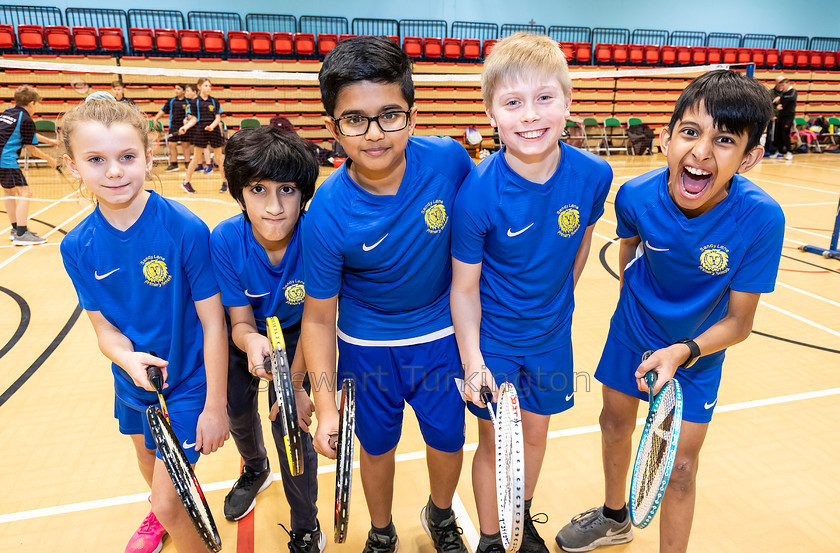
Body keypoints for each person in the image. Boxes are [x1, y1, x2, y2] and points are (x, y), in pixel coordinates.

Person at [556, 70, 784, 553]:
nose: (702, 152)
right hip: (633, 331)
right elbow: (629, 258)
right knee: (614, 424)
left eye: (724, 140)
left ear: (750, 158)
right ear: (665, 138)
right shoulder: (636, 195)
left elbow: (740, 324)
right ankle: (615, 518)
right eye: (690, 131)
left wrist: (682, 351)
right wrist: (635, 320)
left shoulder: (762, 219)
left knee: (679, 470)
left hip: (698, 350)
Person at [301, 36, 474, 553]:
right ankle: (382, 529)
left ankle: (439, 515)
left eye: (389, 115)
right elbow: (316, 320)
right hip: (366, 346)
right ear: (334, 128)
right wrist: (328, 405)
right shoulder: (328, 212)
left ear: (413, 116)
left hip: (442, 337)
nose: (374, 134)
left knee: (447, 440)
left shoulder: (450, 162)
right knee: (376, 449)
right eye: (355, 119)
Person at [449, 33, 613, 553]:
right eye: (513, 102)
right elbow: (464, 289)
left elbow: (580, 244)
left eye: (545, 98)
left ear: (568, 102)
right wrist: (473, 360)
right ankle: (493, 539)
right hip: (493, 337)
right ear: (491, 113)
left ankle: (518, 517)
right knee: (496, 443)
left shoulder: (593, 175)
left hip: (550, 334)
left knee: (536, 436)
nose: (530, 115)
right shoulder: (477, 193)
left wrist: (556, 304)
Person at [59, 96, 229, 553]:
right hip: (131, 383)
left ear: (148, 158)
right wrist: (126, 358)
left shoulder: (185, 229)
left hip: (190, 383)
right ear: (74, 167)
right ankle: (160, 511)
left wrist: (216, 405)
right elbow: (104, 331)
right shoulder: (77, 246)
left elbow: (214, 323)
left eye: (127, 157)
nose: (114, 171)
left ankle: (167, 511)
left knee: (171, 502)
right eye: (96, 160)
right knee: (147, 458)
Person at [209, 126, 324, 552]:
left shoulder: (318, 236)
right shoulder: (224, 240)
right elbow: (238, 323)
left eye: (288, 190)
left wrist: (293, 383)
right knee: (238, 411)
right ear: (239, 192)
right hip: (249, 336)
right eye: (258, 189)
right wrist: (250, 341)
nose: (274, 207)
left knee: (291, 429)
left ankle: (305, 524)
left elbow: (320, 319)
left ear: (304, 194)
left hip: (301, 338)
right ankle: (255, 468)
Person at [1, 85, 59, 245]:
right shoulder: (26, 119)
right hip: (5, 160)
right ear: (32, 103)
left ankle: (15, 229)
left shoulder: (8, 112)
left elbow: (28, 133)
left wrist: (50, 141)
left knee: (10, 192)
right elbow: (31, 149)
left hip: (2, 158)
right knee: (25, 192)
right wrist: (50, 159)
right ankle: (21, 234)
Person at [179, 78, 226, 193]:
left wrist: (212, 126)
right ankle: (186, 182)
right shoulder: (194, 102)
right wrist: (185, 127)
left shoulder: (214, 101)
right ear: (199, 87)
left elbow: (218, 118)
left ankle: (225, 182)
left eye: (209, 86)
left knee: (219, 158)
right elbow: (194, 119)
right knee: (196, 158)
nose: (208, 88)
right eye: (206, 85)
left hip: (213, 129)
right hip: (200, 130)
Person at [153, 84, 191, 172]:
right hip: (173, 126)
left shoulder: (188, 102)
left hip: (184, 127)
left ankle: (187, 164)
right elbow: (163, 110)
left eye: (179, 89)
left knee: (185, 145)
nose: (176, 91)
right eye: (175, 89)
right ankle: (174, 164)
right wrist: (156, 118)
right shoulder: (171, 101)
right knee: (171, 145)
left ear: (184, 91)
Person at [771, 75, 797, 160]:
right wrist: (777, 105)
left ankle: (789, 152)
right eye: (781, 86)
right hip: (780, 116)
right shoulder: (783, 93)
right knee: (778, 135)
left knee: (786, 134)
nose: (782, 87)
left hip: (788, 117)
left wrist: (780, 98)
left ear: (788, 84)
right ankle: (780, 151)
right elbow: (777, 103)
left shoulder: (793, 91)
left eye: (783, 85)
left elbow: (790, 98)